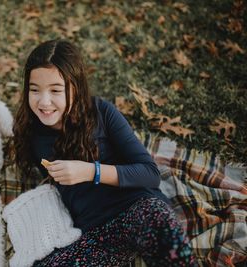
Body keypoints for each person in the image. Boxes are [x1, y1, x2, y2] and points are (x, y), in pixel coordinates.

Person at [12, 39, 196, 266]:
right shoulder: (30, 131)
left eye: (56, 90)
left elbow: (150, 174)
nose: (44, 101)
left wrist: (91, 171)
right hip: (95, 233)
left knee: (172, 245)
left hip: (137, 208)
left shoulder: (102, 113)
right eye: (35, 90)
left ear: (76, 88)